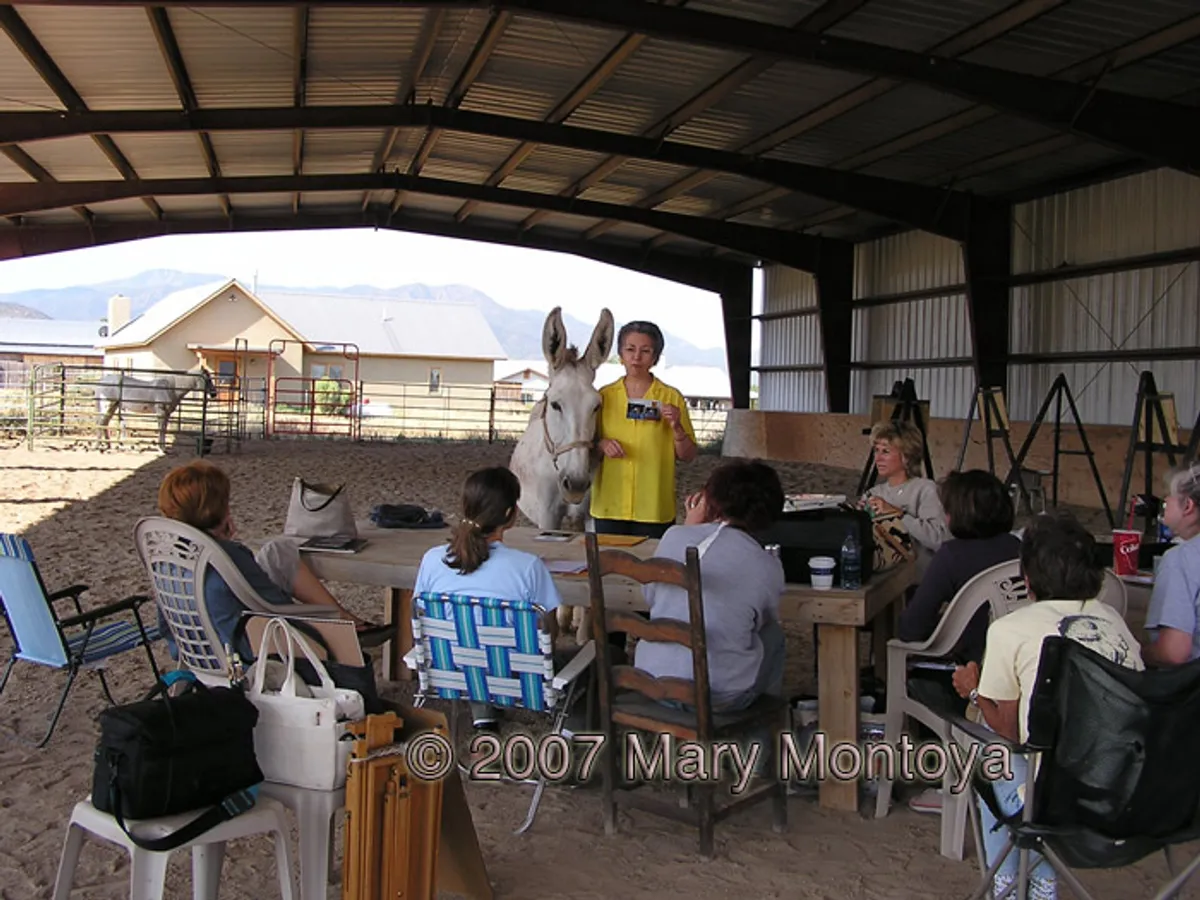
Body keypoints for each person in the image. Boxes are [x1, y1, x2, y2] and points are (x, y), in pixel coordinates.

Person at [952, 513, 1143, 900]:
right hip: (1129, 793)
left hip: (1055, 801)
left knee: (991, 749)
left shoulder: (1010, 629)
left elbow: (1008, 729)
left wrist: (974, 692)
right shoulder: (1114, 622)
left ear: (1028, 579)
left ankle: (1015, 889)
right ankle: (1028, 888)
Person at [157, 461, 374, 657]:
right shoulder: (229, 556)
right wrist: (328, 614)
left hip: (192, 645)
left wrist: (220, 537)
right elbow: (276, 605)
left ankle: (349, 620)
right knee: (281, 564)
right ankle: (346, 620)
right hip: (244, 647)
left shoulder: (165, 559)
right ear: (218, 509)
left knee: (276, 551)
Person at [900, 470, 1021, 815]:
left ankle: (945, 777)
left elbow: (912, 628)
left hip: (966, 677)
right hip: (1014, 672)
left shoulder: (951, 555)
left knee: (912, 669)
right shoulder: (1019, 548)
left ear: (956, 515)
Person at [413, 466, 564, 735]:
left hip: (451, 669)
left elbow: (422, 618)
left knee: (471, 642)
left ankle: (483, 719)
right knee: (596, 658)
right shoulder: (528, 567)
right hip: (514, 676)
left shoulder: (432, 559)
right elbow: (549, 634)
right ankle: (570, 733)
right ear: (510, 514)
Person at [634, 460, 786, 711]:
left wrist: (689, 526)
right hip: (717, 695)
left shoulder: (674, 536)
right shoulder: (764, 563)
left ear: (709, 499)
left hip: (652, 680)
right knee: (773, 636)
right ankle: (761, 731)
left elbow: (650, 595)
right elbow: (765, 617)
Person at [591, 320, 697, 539]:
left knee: (651, 569)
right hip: (610, 504)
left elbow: (688, 455)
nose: (636, 357)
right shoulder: (602, 397)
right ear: (620, 354)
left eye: (645, 351)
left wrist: (677, 427)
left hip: (653, 508)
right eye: (630, 349)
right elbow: (587, 445)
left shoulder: (671, 398)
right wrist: (601, 444)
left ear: (656, 357)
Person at [861, 420, 947, 574]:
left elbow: (938, 540)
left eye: (885, 451)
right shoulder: (873, 494)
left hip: (917, 581)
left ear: (906, 456)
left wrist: (897, 515)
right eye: (876, 450)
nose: (878, 458)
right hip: (880, 581)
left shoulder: (925, 490)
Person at [1143, 463, 1200, 666]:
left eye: (1169, 495)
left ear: (1187, 506)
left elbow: (1173, 653)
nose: (1164, 500)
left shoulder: (1180, 559)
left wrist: (1138, 653)